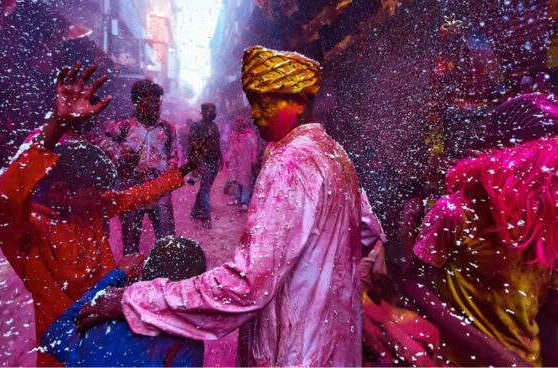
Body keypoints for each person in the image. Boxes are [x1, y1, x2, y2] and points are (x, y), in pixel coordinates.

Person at [76, 46, 384, 367]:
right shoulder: (335, 154)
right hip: (334, 344)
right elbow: (367, 233)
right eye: (253, 104)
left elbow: (246, 286)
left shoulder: (288, 162)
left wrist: (138, 300)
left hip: (295, 352)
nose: (253, 115)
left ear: (298, 103)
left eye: (263, 104)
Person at [0, 63, 198, 366]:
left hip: (106, 344)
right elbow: (4, 199)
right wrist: (56, 127)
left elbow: (136, 196)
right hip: (63, 355)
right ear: (63, 189)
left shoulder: (89, 208)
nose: (104, 196)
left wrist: (184, 171)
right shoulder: (29, 233)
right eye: (95, 190)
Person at [403, 93, 558, 366]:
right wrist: (486, 350)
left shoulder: (546, 220)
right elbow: (414, 283)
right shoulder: (457, 212)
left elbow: (546, 302)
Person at [41, 237, 206, 367]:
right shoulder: (187, 343)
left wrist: (114, 278)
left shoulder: (102, 313)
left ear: (144, 274)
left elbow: (52, 336)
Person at [104, 79, 180, 255]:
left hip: (160, 196)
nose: (155, 105)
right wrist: (122, 158)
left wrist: (168, 171)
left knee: (168, 244)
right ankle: (130, 281)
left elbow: (174, 156)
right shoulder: (123, 127)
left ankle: (166, 280)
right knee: (130, 247)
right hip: (131, 196)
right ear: (136, 102)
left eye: (157, 101)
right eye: (149, 101)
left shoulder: (168, 128)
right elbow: (105, 149)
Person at [188, 102, 223, 229]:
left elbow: (217, 143)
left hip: (214, 161)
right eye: (209, 110)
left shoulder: (215, 126)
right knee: (206, 189)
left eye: (214, 110)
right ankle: (206, 216)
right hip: (203, 161)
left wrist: (221, 158)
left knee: (204, 187)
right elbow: (191, 146)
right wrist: (195, 165)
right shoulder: (196, 126)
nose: (212, 112)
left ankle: (196, 211)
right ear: (202, 112)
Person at [225, 116, 259, 209]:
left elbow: (254, 148)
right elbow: (231, 148)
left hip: (246, 161)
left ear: (243, 123)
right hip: (235, 162)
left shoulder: (250, 134)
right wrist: (228, 159)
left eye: (240, 122)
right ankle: (238, 199)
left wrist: (253, 160)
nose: (238, 124)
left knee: (245, 181)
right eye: (237, 122)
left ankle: (244, 202)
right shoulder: (233, 135)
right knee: (236, 180)